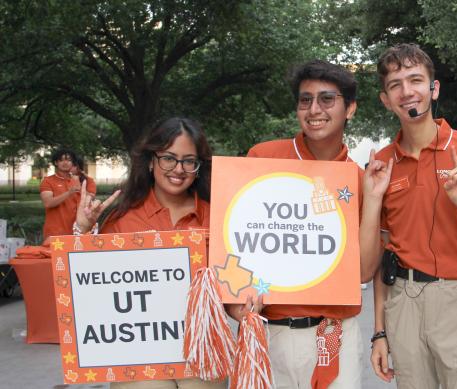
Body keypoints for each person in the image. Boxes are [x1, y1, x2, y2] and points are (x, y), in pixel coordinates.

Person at [227, 59, 374, 389]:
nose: (314, 109)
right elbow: (235, 238)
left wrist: (375, 198)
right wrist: (234, 299)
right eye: (305, 100)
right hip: (269, 330)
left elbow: (364, 271)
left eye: (326, 99)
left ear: (350, 108)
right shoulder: (262, 159)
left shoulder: (360, 181)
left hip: (334, 334)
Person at [364, 43, 457, 389]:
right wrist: (379, 331)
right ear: (386, 99)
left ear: (433, 88)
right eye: (395, 85)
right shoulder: (381, 162)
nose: (407, 92)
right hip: (403, 300)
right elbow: (382, 254)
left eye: (415, 80)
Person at [75, 117, 224, 389]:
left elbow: (235, 280)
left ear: (198, 167)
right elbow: (90, 293)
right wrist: (83, 232)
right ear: (151, 161)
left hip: (203, 348)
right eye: (169, 158)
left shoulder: (219, 217)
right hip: (139, 352)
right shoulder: (122, 220)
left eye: (189, 161)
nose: (178, 169)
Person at [40, 148, 95, 243]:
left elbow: (88, 201)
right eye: (61, 160)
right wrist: (69, 193)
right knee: (56, 258)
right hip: (55, 233)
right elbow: (48, 203)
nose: (65, 163)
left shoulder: (77, 180)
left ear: (73, 163)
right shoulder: (48, 181)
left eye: (69, 160)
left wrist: (84, 192)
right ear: (56, 162)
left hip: (77, 232)